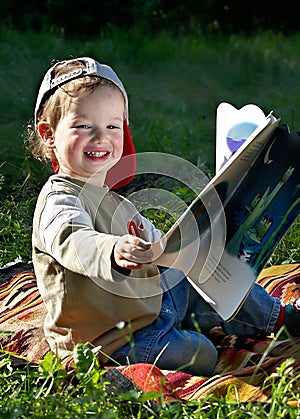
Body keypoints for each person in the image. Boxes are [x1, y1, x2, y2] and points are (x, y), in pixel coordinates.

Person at [28, 56, 299, 376]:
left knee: (207, 276)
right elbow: (72, 239)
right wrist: (112, 250)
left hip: (150, 305)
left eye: (112, 126)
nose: (100, 137)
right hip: (110, 339)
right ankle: (196, 331)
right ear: (48, 135)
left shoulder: (114, 200)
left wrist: (187, 246)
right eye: (84, 126)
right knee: (199, 352)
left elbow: (156, 242)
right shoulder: (59, 200)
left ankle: (278, 318)